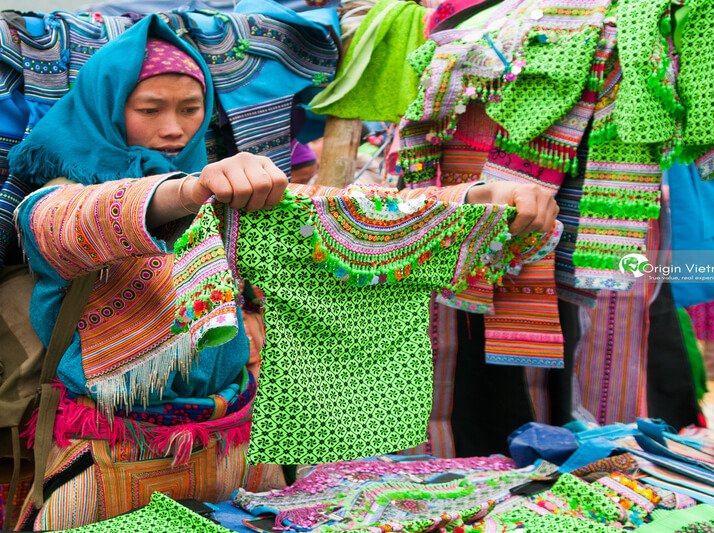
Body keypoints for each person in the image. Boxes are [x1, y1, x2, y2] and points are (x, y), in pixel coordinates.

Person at [9, 15, 558, 530]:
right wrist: (189, 190)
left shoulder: (227, 198)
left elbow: (343, 213)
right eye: (150, 109)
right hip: (110, 462)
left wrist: (478, 196)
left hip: (239, 457)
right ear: (105, 105)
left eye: (191, 107)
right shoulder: (56, 197)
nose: (174, 128)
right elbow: (78, 220)